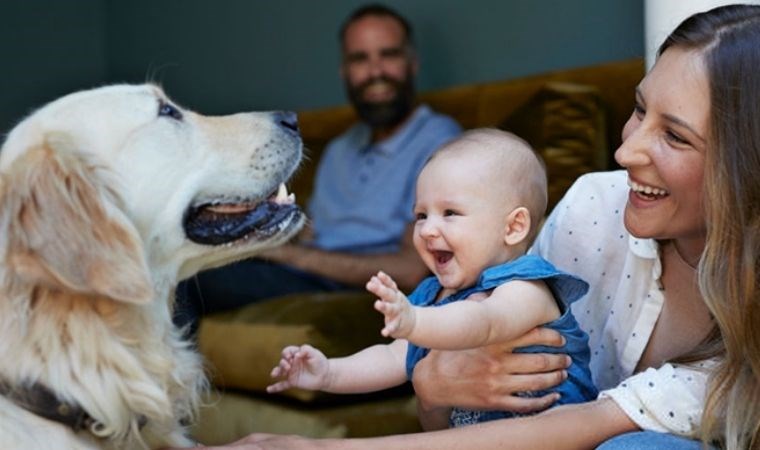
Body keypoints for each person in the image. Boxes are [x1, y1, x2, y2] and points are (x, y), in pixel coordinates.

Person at [173, 4, 760, 449]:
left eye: (675, 135)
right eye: (637, 109)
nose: (626, 148)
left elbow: (569, 415)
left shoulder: (744, 319)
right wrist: (428, 382)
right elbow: (446, 397)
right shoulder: (593, 208)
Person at [266, 130, 597, 428]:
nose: (426, 229)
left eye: (449, 213)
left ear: (512, 228)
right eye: (421, 215)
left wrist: (414, 320)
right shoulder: (433, 295)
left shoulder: (526, 286)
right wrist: (329, 373)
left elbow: (483, 320)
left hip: (555, 439)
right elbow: (392, 358)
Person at [174, 3, 461, 331]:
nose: (375, 71)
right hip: (301, 272)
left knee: (189, 278)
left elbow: (413, 268)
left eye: (389, 55)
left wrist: (288, 256)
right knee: (180, 259)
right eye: (359, 59)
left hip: (355, 286)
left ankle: (161, 383)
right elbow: (311, 232)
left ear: (412, 64)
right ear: (345, 72)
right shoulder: (339, 149)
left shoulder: (440, 141)